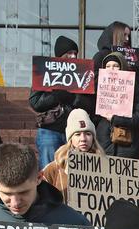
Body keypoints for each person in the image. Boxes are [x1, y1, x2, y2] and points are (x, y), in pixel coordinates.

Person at [29, 35, 96, 169]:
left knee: (74, 172)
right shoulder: (45, 72)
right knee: (49, 169)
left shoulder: (83, 74)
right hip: (50, 130)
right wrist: (57, 96)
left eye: (75, 53)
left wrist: (72, 98)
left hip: (74, 132)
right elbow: (35, 102)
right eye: (69, 53)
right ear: (60, 56)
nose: (73, 56)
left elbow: (91, 104)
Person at [94, 52, 139, 159]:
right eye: (108, 66)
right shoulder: (97, 88)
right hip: (103, 144)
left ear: (122, 67)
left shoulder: (132, 88)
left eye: (116, 66)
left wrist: (116, 119)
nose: (111, 69)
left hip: (127, 145)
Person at [42, 108, 104, 197]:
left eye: (88, 134)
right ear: (71, 139)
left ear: (93, 138)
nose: (83, 139)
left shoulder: (106, 166)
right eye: (78, 134)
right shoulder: (55, 168)